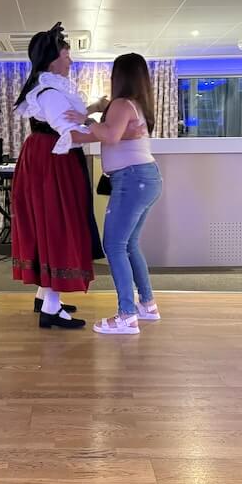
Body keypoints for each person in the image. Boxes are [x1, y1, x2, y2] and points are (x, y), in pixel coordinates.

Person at [11, 22, 127, 329]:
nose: (71, 61)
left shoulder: (49, 89)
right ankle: (50, 307)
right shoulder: (49, 91)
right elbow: (71, 134)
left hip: (48, 158)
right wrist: (109, 134)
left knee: (51, 224)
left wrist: (93, 109)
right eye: (67, 55)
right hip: (54, 162)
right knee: (58, 225)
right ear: (52, 60)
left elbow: (63, 120)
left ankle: (45, 297)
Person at [66, 54, 162, 335]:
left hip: (132, 180)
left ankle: (126, 315)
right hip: (144, 179)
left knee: (115, 245)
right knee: (130, 244)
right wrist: (80, 127)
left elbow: (109, 136)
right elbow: (103, 134)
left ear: (120, 75)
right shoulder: (134, 105)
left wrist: (85, 117)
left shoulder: (122, 104)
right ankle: (147, 304)